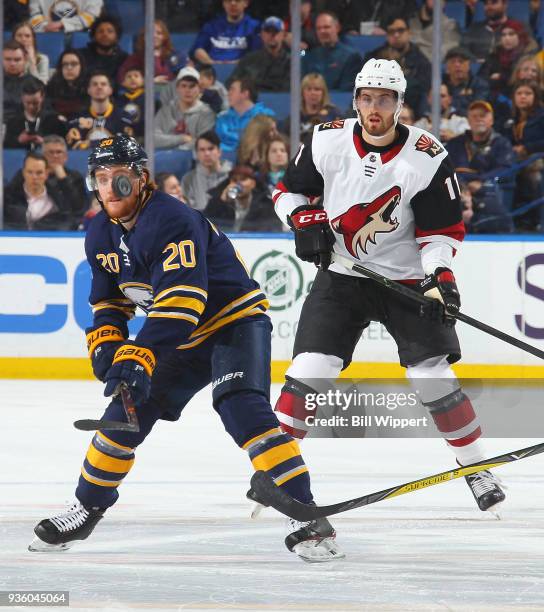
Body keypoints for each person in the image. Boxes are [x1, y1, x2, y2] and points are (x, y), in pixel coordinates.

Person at [27, 135, 342, 563]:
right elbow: (108, 302)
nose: (109, 188)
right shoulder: (99, 231)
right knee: (121, 418)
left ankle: (306, 515)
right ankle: (87, 507)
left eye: (119, 178)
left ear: (141, 180)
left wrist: (139, 355)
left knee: (243, 410)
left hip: (231, 322)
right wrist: (107, 347)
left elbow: (183, 301)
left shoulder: (171, 219)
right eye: (101, 178)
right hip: (177, 337)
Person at [271, 58, 506, 514]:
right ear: (356, 99)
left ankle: (476, 466)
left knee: (431, 377)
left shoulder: (428, 153)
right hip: (343, 275)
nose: (373, 107)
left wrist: (439, 276)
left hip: (405, 280)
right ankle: (274, 469)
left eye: (384, 99)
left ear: (400, 104)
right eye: (366, 97)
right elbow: (286, 192)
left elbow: (441, 232)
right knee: (309, 371)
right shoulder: (326, 140)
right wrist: (301, 218)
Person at [446, 100, 515, 233]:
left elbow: (506, 169)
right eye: (474, 116)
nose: (478, 119)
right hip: (458, 189)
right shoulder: (455, 143)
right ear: (468, 120)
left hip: (489, 191)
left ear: (492, 120)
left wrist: (481, 181)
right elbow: (445, 168)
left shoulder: (502, 143)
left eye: (483, 115)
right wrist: (462, 184)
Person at [364, 15, 432, 116]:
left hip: (410, 111)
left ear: (409, 32)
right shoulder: (374, 58)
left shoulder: (421, 61)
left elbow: (422, 91)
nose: (396, 35)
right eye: (391, 31)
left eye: (401, 30)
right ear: (387, 35)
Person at [3, 151, 80, 230]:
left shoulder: (58, 200)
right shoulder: (8, 198)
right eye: (30, 172)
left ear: (46, 174)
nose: (34, 177)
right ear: (23, 173)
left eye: (39, 173)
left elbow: (73, 215)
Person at [204, 164, 283, 232]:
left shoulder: (265, 204)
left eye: (243, 179)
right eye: (234, 180)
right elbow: (205, 226)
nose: (238, 183)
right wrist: (220, 202)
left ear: (253, 183)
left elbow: (273, 228)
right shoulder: (216, 202)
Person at [154, 66, 216, 150]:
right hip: (164, 159)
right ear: (177, 88)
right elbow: (153, 139)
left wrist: (176, 149)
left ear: (200, 89)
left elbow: (203, 144)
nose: (187, 90)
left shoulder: (207, 114)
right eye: (184, 86)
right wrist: (182, 139)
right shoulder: (166, 110)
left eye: (192, 86)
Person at [66, 71, 132, 149]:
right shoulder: (78, 117)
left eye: (103, 84)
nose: (99, 87)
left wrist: (91, 144)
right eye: (95, 84)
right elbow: (74, 146)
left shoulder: (123, 117)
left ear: (110, 90)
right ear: (88, 90)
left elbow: (126, 144)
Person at [227, 16, 291, 92]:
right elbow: (230, 83)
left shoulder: (291, 61)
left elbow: (290, 89)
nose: (272, 35)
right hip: (252, 101)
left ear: (283, 35)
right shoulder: (249, 59)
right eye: (268, 31)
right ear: (262, 35)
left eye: (276, 31)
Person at [301, 11, 361, 92]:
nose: (322, 31)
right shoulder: (308, 57)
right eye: (318, 28)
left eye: (326, 27)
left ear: (337, 28)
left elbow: (347, 91)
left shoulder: (351, 57)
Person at [189, 0, 261, 66]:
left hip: (242, 72)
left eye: (237, 0)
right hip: (211, 71)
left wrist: (235, 65)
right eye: (228, 0)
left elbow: (257, 55)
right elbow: (197, 49)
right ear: (223, 3)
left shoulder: (255, 27)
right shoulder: (211, 26)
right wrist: (212, 63)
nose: (233, 4)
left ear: (246, 3)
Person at [4, 76, 67, 149]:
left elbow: (64, 146)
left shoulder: (54, 120)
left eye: (35, 103)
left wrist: (45, 142)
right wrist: (18, 140)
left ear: (42, 97)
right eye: (27, 103)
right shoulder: (13, 122)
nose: (31, 107)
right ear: (22, 98)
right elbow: (5, 149)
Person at [215, 77, 275, 152]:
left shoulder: (265, 116)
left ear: (245, 94)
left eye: (232, 90)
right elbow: (217, 144)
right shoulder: (222, 118)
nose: (228, 93)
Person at [118, 20, 186, 85]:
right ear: (143, 37)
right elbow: (122, 79)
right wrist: (147, 82)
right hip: (145, 94)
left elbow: (188, 77)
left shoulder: (177, 55)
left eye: (159, 33)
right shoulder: (136, 58)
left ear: (165, 37)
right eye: (150, 33)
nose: (154, 36)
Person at [479, 21, 537, 96]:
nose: (507, 38)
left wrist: (500, 77)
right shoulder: (495, 54)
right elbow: (481, 78)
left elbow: (517, 81)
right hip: (492, 94)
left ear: (520, 36)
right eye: (503, 35)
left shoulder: (529, 55)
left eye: (511, 34)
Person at [180, 130, 232, 211]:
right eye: (202, 150)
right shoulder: (187, 180)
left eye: (211, 149)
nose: (207, 153)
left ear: (219, 152)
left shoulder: (233, 176)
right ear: (197, 154)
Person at [462, 0, 527, 62]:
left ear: (505, 4)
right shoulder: (474, 29)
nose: (489, 7)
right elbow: (463, 51)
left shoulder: (519, 27)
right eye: (486, 3)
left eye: (494, 2)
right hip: (477, 69)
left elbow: (528, 51)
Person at [282, 73, 342, 139]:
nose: (313, 93)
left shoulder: (333, 114)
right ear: (302, 93)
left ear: (323, 93)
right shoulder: (295, 118)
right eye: (309, 89)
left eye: (317, 89)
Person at [77, 14, 129, 85]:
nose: (105, 34)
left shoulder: (125, 59)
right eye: (100, 31)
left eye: (110, 31)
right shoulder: (80, 56)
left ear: (117, 37)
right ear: (93, 36)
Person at [42, 135, 88, 211]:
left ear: (65, 157)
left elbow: (78, 207)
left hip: (68, 221)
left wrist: (63, 179)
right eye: (51, 152)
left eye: (59, 152)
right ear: (43, 156)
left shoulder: (76, 177)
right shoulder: (31, 174)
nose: (55, 156)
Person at [442, 47, 490, 117]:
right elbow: (426, 108)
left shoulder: (480, 85)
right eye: (453, 62)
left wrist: (451, 109)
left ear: (469, 65)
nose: (457, 65)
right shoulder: (439, 84)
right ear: (447, 66)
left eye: (461, 61)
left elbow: (477, 111)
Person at [46, 50, 89, 119]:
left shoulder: (89, 88)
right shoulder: (51, 87)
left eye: (74, 64)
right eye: (65, 64)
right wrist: (56, 116)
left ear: (81, 66)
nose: (69, 68)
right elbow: (46, 110)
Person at [3, 40, 34, 120]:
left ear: (25, 59)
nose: (12, 63)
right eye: (8, 59)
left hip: (23, 126)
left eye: (17, 60)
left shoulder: (34, 84)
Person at [30, 0, 103, 32]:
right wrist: (44, 27)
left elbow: (92, 17)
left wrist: (63, 24)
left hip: (81, 33)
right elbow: (33, 15)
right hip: (47, 35)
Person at [116, 68, 146, 140]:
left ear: (143, 80)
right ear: (123, 82)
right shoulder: (119, 99)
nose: (132, 78)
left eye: (136, 76)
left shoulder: (148, 98)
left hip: (144, 137)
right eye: (129, 76)